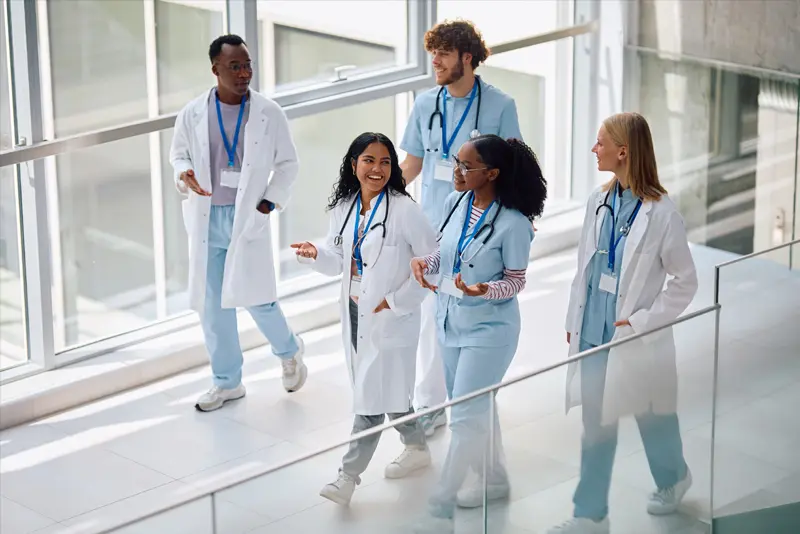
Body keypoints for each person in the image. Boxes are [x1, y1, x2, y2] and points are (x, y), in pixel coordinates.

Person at [547, 112, 697, 534]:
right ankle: (590, 514)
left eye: (600, 143)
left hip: (634, 337)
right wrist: (573, 318)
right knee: (596, 426)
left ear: (623, 152)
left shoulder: (662, 214)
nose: (595, 149)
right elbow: (586, 268)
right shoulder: (598, 200)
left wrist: (645, 320)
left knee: (654, 419)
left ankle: (674, 477)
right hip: (593, 331)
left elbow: (686, 282)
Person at [291, 133, 438, 506]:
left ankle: (347, 477)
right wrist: (314, 254)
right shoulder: (344, 206)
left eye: (386, 161)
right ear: (354, 164)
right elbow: (337, 257)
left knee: (370, 398)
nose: (378, 169)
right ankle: (417, 446)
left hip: (388, 315)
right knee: (390, 391)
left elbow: (433, 264)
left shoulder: (405, 210)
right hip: (356, 310)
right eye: (369, 160)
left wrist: (396, 301)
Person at [411, 135, 547, 533]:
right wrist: (425, 262)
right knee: (474, 408)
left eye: (466, 167)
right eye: (457, 162)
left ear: (492, 173)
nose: (456, 171)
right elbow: (447, 252)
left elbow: (516, 280)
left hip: (490, 330)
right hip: (450, 321)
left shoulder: (515, 223)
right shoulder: (457, 203)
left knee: (466, 417)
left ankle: (441, 500)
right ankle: (495, 479)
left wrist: (485, 290)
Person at [170, 34, 306, 412]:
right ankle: (227, 382)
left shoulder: (268, 112)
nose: (244, 73)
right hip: (207, 216)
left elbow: (288, 165)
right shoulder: (193, 112)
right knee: (214, 307)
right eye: (235, 66)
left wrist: (267, 203)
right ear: (215, 69)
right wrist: (184, 173)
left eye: (247, 65)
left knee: (258, 298)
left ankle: (290, 350)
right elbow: (178, 154)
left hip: (247, 218)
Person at [400, 19, 523, 438]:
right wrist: (383, 195)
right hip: (432, 226)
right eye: (432, 52)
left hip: (477, 228)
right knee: (433, 319)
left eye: (444, 54)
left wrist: (516, 223)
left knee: (460, 314)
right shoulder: (424, 104)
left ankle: (461, 401)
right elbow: (414, 161)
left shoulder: (500, 105)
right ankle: (434, 406)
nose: (434, 61)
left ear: (467, 57)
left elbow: (514, 167)